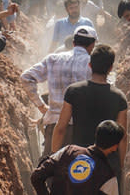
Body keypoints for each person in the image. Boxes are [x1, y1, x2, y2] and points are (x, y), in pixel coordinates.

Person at [52, 45, 127, 190]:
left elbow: (61, 128)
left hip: (79, 161)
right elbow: (123, 137)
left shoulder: (73, 91)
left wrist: (55, 158)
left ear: (90, 65)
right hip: (108, 163)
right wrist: (119, 165)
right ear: (111, 68)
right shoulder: (119, 97)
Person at [21, 26, 97, 157]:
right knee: (81, 172)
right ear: (92, 44)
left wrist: (41, 106)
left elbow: (26, 77)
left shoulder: (53, 59)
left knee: (51, 168)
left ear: (73, 43)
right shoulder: (94, 64)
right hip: (83, 130)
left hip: (54, 126)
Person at [32, 120, 123, 195]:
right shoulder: (108, 177)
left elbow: (36, 177)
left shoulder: (68, 151)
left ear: (96, 135)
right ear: (115, 146)